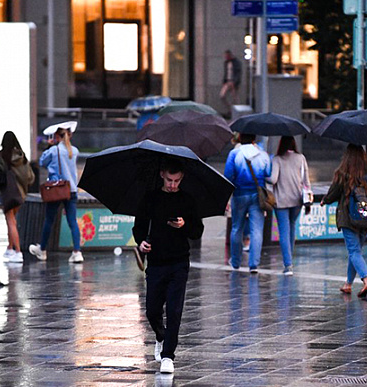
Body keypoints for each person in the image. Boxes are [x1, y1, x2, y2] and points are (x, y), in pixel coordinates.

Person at [133, 158, 204, 374]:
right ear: (162, 174)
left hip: (179, 262)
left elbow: (197, 231)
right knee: (152, 310)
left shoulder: (187, 199)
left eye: (177, 181)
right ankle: (161, 336)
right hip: (156, 262)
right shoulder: (151, 198)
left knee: (174, 310)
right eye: (170, 180)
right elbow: (139, 228)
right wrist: (142, 242)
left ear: (182, 179)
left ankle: (168, 356)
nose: (173, 185)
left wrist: (184, 225)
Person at [320, 144, 367, 298]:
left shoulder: (342, 173)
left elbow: (333, 193)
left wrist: (324, 200)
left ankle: (366, 280)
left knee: (353, 251)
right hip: (365, 217)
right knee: (356, 251)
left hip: (348, 217)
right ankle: (348, 284)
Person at [29, 127, 84, 263]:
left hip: (56, 189)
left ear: (56, 137)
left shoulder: (54, 151)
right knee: (72, 221)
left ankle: (42, 250)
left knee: (49, 220)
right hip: (71, 190)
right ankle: (77, 252)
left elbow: (42, 162)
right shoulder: (74, 151)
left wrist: (49, 145)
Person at [224, 133, 271, 273]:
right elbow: (268, 173)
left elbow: (228, 176)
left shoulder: (234, 154)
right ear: (254, 139)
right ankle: (254, 264)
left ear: (240, 139)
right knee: (256, 230)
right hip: (258, 196)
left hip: (239, 195)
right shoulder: (263, 155)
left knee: (237, 228)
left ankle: (236, 262)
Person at [268, 136, 311, 276]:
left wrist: (263, 176)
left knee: (284, 231)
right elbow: (306, 181)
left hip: (281, 201)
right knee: (292, 227)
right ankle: (289, 259)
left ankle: (288, 265)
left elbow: (273, 179)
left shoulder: (277, 159)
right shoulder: (301, 158)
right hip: (297, 200)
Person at [0, 131, 35, 263]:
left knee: (11, 222)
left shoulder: (0, 157)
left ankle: (18, 252)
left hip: (7, 194)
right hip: (20, 194)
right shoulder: (22, 157)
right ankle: (10, 248)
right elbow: (31, 177)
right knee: (12, 221)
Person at [219, 49, 242, 117]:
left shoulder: (236, 62)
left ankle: (235, 111)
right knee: (222, 96)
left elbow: (238, 73)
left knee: (234, 98)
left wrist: (235, 82)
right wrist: (224, 81)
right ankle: (230, 109)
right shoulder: (226, 63)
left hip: (233, 81)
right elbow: (226, 72)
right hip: (228, 81)